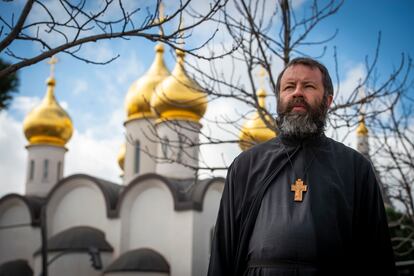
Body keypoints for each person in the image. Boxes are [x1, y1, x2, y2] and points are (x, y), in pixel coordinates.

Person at [207, 57, 397, 275]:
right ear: (279, 99)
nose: (297, 92)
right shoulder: (246, 165)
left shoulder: (356, 168)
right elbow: (223, 249)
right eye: (289, 87)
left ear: (328, 101)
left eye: (308, 86)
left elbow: (377, 254)